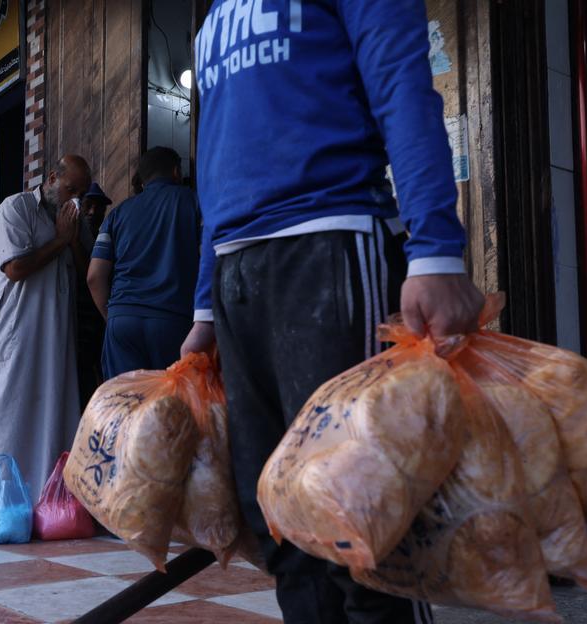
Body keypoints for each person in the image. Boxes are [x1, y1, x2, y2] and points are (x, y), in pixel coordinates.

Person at [179, 3, 485, 623]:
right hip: (238, 269)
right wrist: (207, 302)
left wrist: (435, 251)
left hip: (332, 242)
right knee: (280, 520)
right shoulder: (215, 16)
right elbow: (215, 159)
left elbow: (403, 89)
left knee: (362, 520)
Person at [0, 155, 91, 500]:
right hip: (17, 333)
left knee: (52, 413)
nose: (75, 199)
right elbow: (14, 268)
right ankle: (3, 503)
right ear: (52, 177)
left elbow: (87, 273)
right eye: (71, 189)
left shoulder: (72, 219)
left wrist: (72, 241)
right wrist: (59, 240)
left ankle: (49, 501)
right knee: (11, 415)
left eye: (81, 194)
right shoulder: (17, 207)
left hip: (55, 335)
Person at [88, 147, 201, 379]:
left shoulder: (116, 215)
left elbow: (94, 276)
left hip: (122, 321)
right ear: (176, 172)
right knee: (170, 407)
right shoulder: (194, 203)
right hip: (173, 321)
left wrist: (112, 317)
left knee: (125, 407)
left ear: (142, 179)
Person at [73, 183, 111, 408]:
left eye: (99, 208)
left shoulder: (104, 236)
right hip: (77, 321)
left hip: (98, 320)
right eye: (89, 206)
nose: (93, 212)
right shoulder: (72, 235)